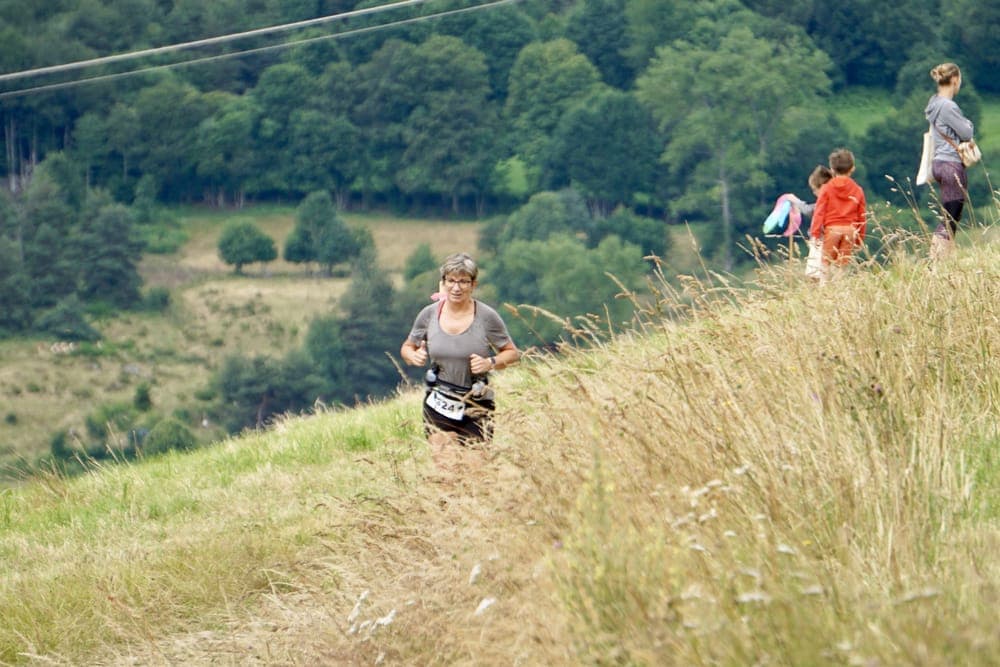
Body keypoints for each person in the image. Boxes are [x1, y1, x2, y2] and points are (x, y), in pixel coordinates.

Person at [400, 253, 520, 467]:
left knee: (475, 472)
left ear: (473, 284)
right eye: (451, 281)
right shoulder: (429, 314)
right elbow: (407, 347)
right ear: (443, 282)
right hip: (439, 400)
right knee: (446, 471)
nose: (456, 287)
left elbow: (512, 353)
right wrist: (413, 356)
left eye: (463, 281)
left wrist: (490, 363)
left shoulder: (487, 316)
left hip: (477, 401)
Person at [924, 62, 975, 259]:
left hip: (938, 163)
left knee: (950, 214)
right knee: (951, 217)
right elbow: (967, 132)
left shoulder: (934, 103)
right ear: (954, 79)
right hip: (951, 164)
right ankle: (935, 260)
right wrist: (968, 122)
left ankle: (943, 259)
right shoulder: (948, 106)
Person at [808, 148, 866, 282]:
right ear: (852, 169)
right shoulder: (858, 189)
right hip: (850, 230)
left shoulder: (826, 188)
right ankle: (839, 287)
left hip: (832, 229)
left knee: (825, 263)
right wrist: (860, 239)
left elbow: (819, 212)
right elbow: (862, 216)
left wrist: (815, 234)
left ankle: (824, 288)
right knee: (842, 265)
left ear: (832, 169)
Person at [792, 165, 834, 281]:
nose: (814, 193)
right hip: (833, 238)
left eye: (815, 190)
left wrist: (796, 202)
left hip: (820, 240)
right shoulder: (837, 197)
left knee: (815, 274)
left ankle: (821, 290)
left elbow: (810, 211)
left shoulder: (825, 199)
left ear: (821, 186)